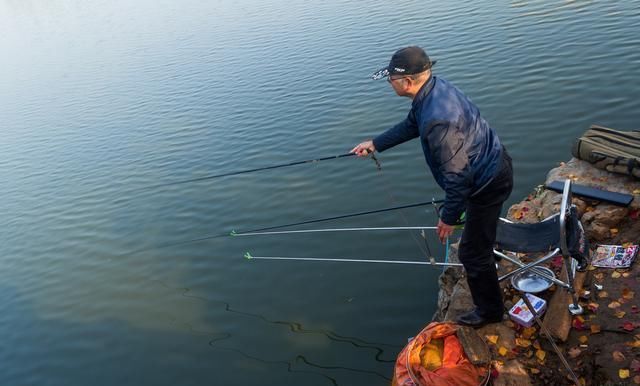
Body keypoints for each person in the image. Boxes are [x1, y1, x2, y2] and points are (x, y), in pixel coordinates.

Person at [351, 46, 513, 328]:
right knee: (477, 240)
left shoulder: (439, 120)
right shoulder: (435, 90)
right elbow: (412, 125)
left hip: (486, 182)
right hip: (492, 166)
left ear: (408, 82)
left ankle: (490, 312)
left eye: (391, 78)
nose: (389, 82)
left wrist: (448, 217)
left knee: (472, 254)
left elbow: (458, 176)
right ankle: (486, 254)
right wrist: (376, 143)